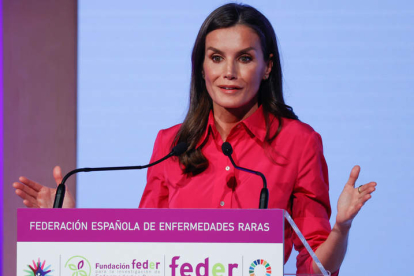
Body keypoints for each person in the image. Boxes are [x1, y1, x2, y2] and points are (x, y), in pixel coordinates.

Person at [13, 3, 376, 275]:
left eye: (245, 58)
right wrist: (69, 226)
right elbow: (143, 252)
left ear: (267, 67)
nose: (229, 73)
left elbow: (315, 266)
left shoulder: (299, 142)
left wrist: (340, 229)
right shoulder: (170, 143)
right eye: (216, 58)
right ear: (202, 67)